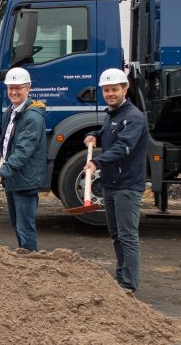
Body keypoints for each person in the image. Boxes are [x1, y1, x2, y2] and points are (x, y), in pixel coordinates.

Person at [84, 68, 147, 292]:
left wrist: (97, 162)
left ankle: (128, 284)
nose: (110, 93)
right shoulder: (113, 114)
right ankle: (121, 280)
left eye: (114, 89)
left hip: (127, 186)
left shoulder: (133, 117)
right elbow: (110, 134)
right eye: (107, 90)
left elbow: (124, 146)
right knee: (116, 235)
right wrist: (95, 135)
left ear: (124, 89)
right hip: (112, 184)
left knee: (127, 235)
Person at [0, 67, 47, 251]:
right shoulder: (11, 111)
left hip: (26, 180)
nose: (13, 92)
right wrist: (2, 161)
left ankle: (31, 262)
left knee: (25, 227)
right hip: (13, 177)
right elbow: (7, 141)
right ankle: (23, 258)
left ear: (28, 88)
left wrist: (2, 172)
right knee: (16, 224)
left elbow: (23, 151)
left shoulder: (32, 118)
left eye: (18, 88)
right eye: (10, 88)